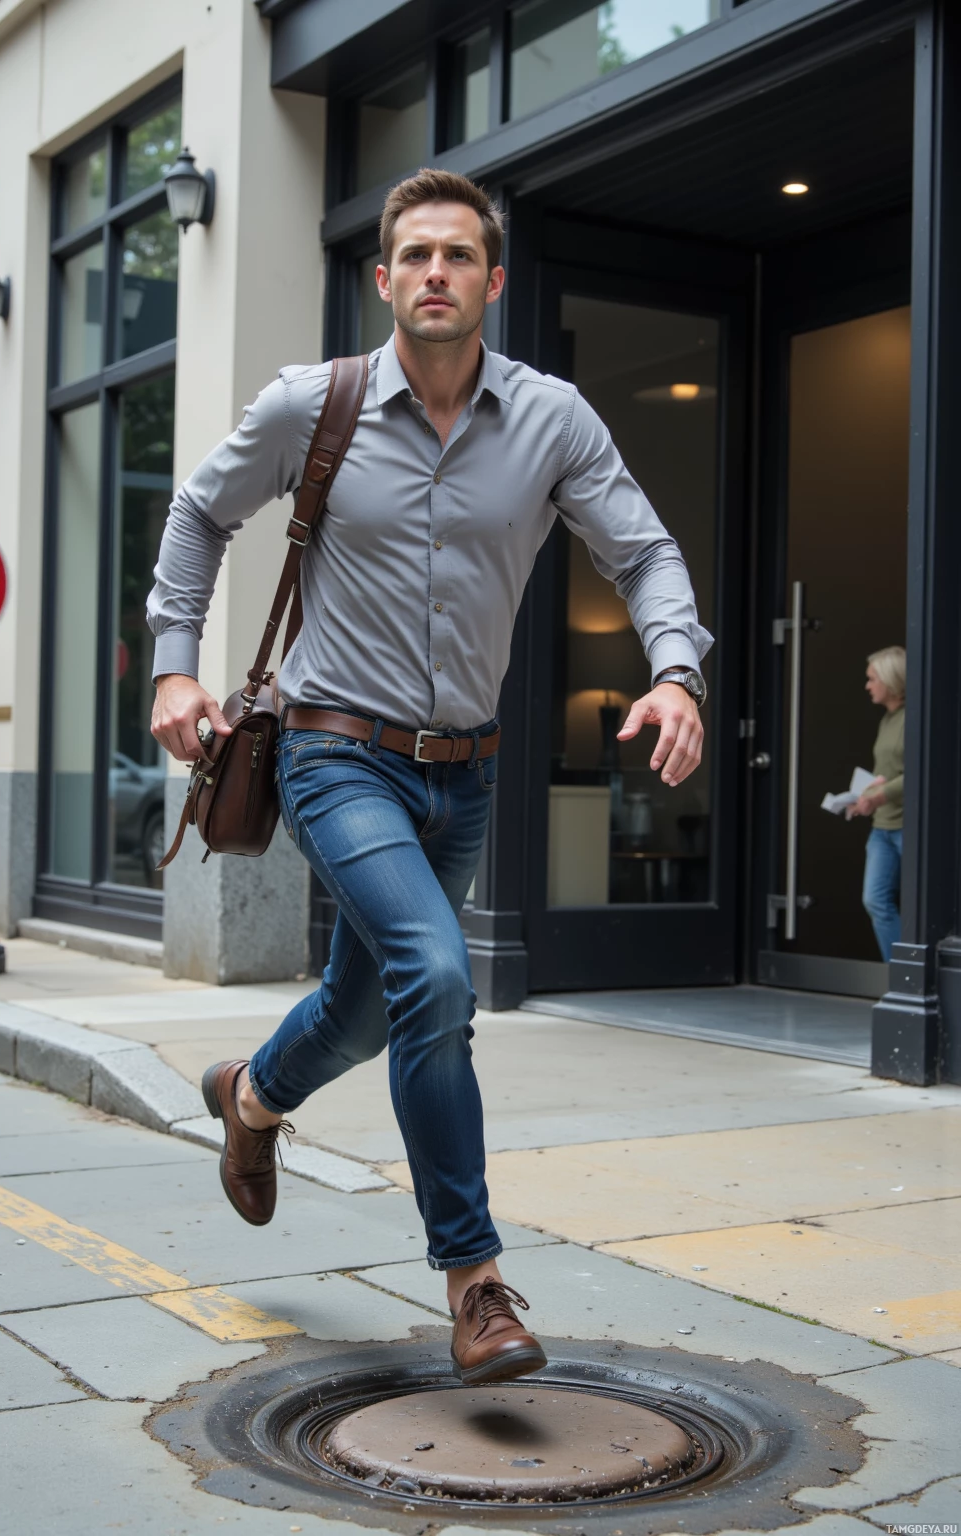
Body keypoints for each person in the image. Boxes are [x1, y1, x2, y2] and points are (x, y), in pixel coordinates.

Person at [147, 169, 711, 1384]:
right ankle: (476, 1283)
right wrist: (172, 671)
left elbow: (647, 549)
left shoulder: (552, 418)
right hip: (332, 749)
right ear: (385, 277)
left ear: (492, 282)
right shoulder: (317, 405)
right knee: (437, 974)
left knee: (367, 1003)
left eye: (459, 255)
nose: (436, 273)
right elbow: (198, 515)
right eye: (415, 255)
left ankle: (250, 1099)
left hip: (466, 774)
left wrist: (676, 671)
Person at [846, 646, 905, 961]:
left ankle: (914, 982)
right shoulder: (888, 720)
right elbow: (888, 774)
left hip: (908, 827)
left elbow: (923, 774)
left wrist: (882, 794)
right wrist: (864, 796)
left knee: (923, 908)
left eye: (872, 679)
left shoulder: (913, 718)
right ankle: (899, 979)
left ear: (891, 679)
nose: (867, 686)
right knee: (875, 901)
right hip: (882, 827)